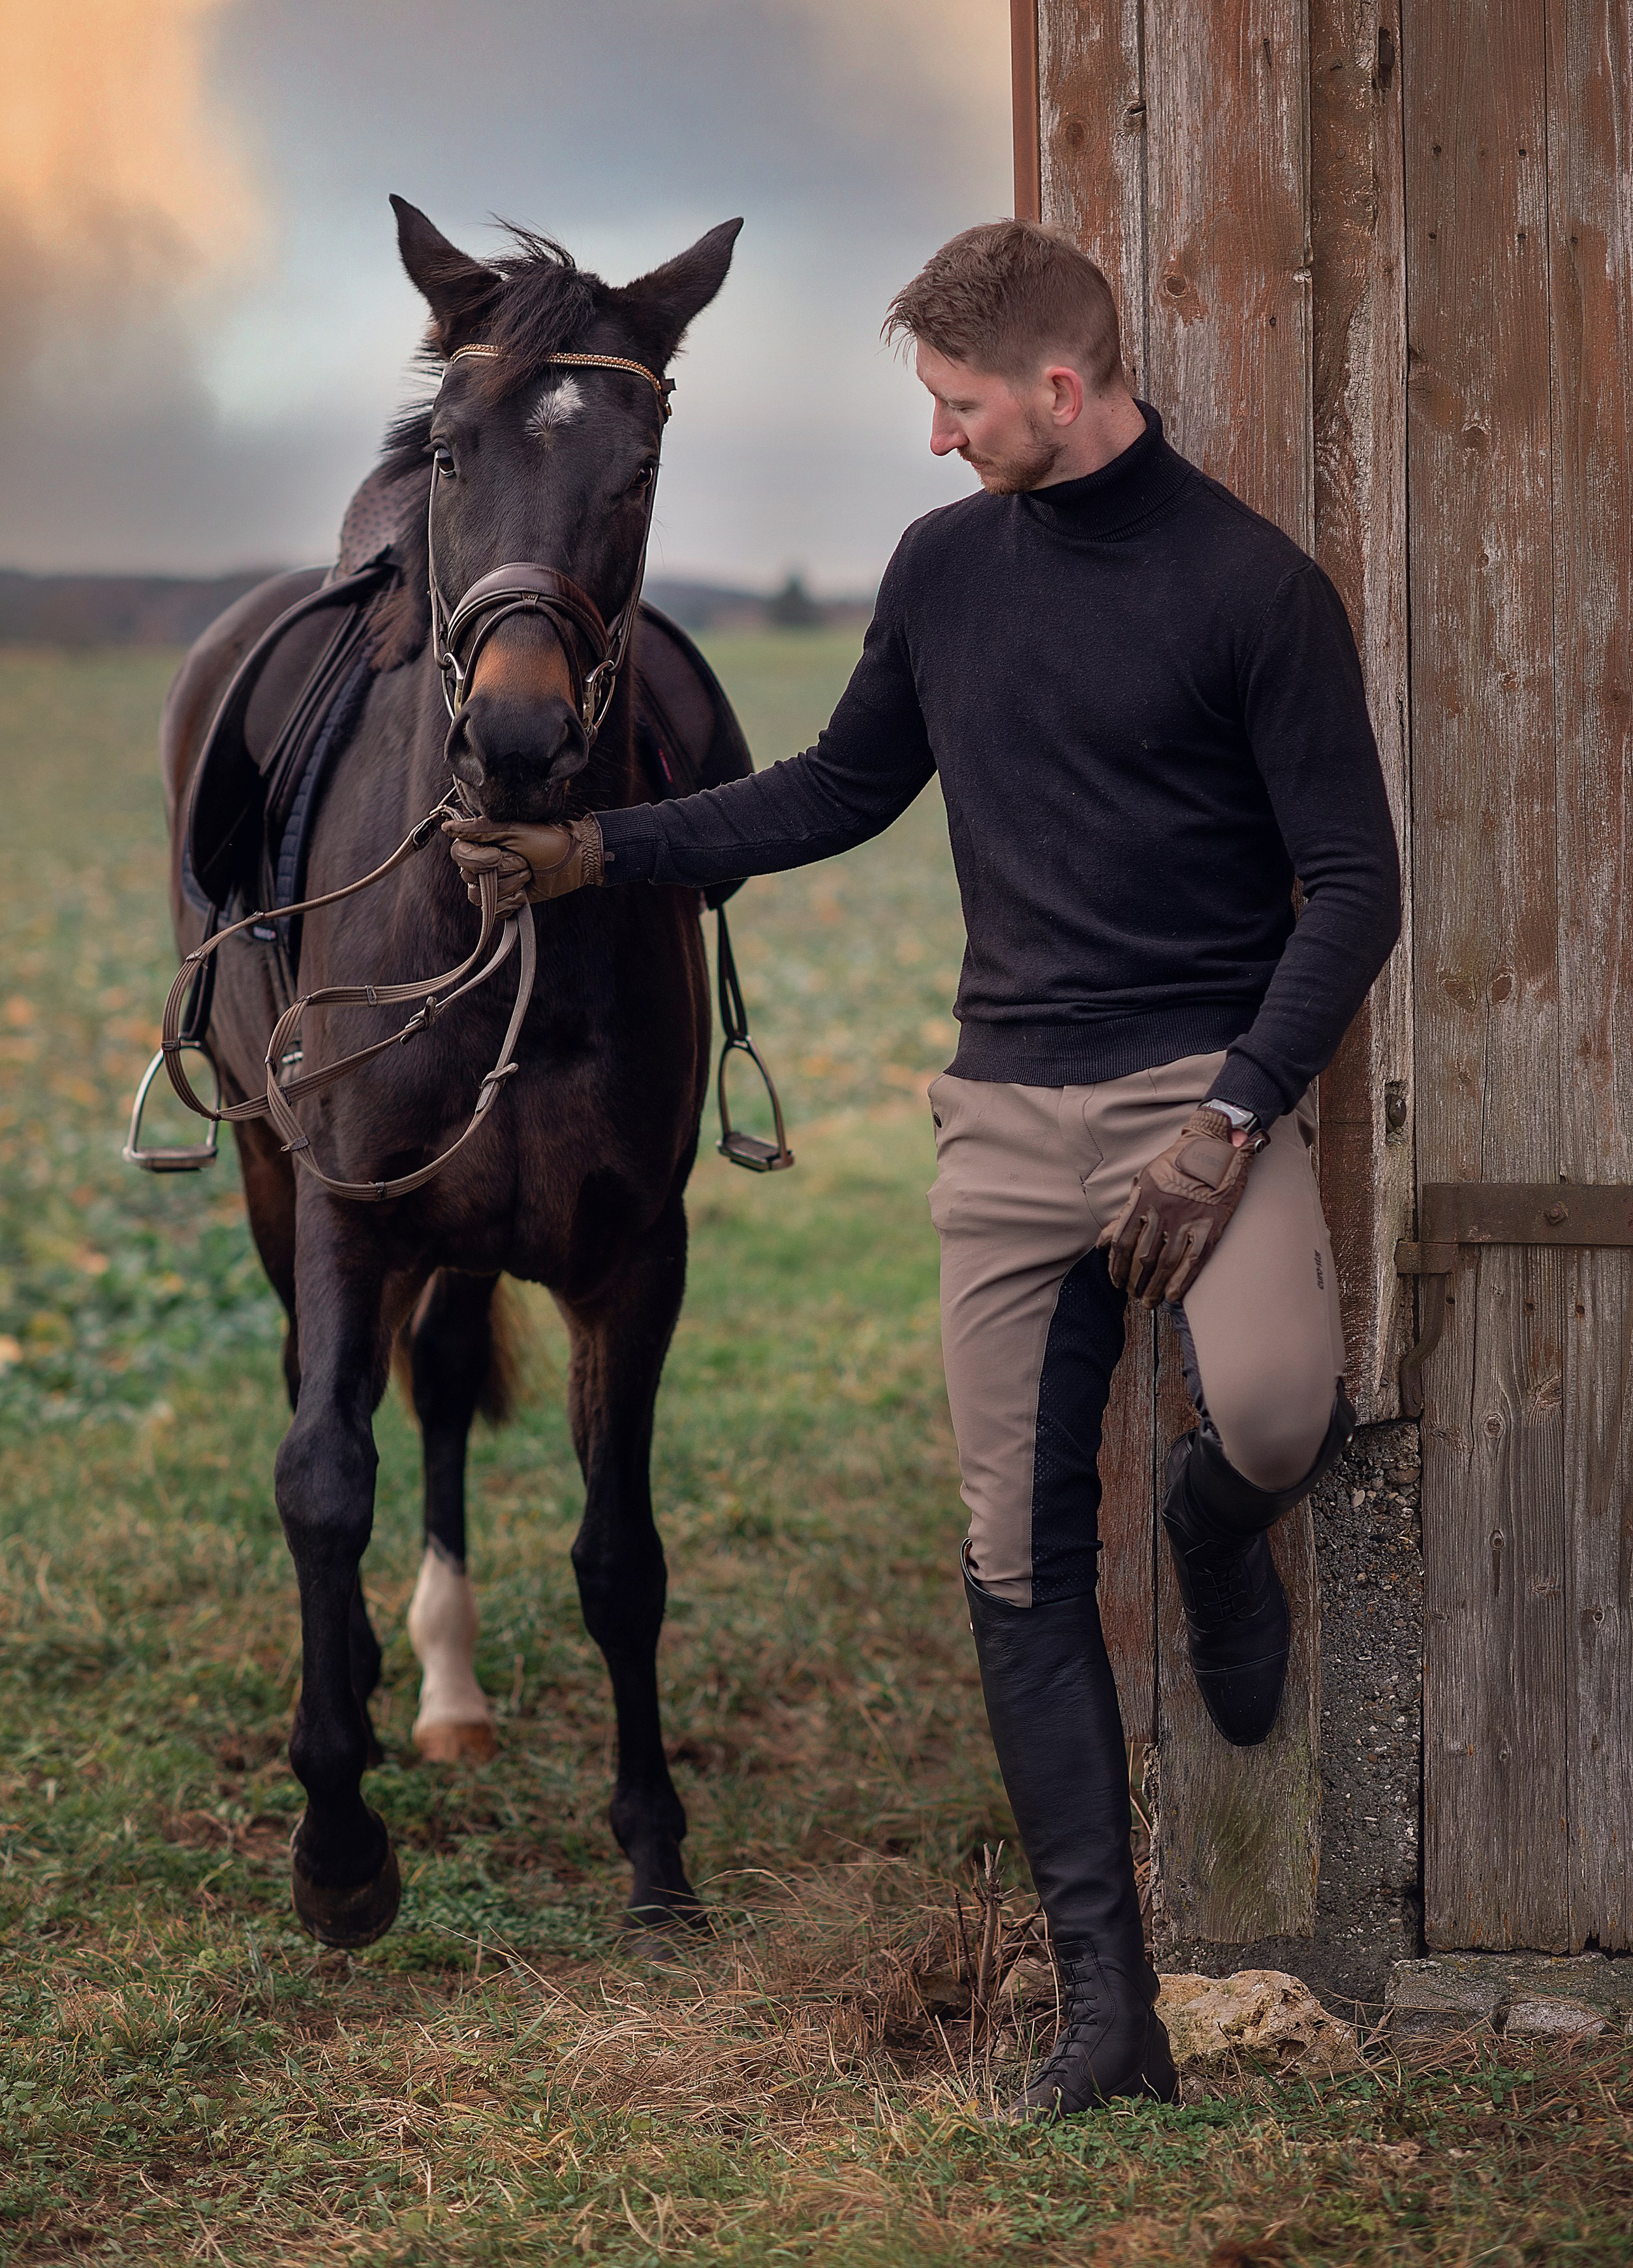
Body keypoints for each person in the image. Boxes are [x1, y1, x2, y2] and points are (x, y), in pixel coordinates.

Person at [478, 221, 1401, 2117]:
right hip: (1002, 1117)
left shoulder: (1254, 593)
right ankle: (1107, 2013)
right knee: (1010, 1551)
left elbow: (1358, 889)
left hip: (1195, 1100)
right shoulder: (941, 570)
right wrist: (603, 855)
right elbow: (835, 789)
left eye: (956, 408)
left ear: (1061, 389)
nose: (935, 442)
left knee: (1286, 1417)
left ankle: (1217, 1536)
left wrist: (1228, 1125)